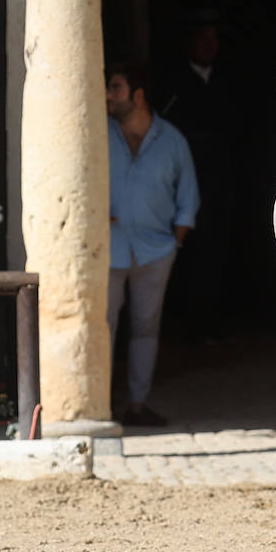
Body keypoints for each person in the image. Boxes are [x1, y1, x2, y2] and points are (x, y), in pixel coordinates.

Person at [107, 61, 199, 427]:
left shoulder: (173, 140)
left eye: (115, 87)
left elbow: (188, 198)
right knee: (102, 327)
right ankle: (96, 405)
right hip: (106, 248)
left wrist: (174, 243)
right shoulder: (97, 133)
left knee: (146, 329)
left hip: (156, 251)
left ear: (138, 95)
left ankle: (136, 405)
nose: (107, 95)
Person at [157, 10, 241, 344]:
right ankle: (184, 323)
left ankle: (211, 320)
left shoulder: (227, 81)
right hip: (182, 179)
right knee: (185, 248)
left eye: (214, 39)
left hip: (220, 179)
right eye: (202, 38)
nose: (209, 45)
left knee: (217, 248)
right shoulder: (173, 83)